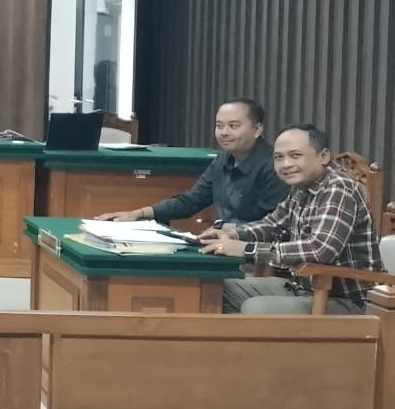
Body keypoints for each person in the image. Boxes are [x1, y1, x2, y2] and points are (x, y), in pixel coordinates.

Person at [200, 124, 383, 314]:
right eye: (278, 157)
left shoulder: (339, 188)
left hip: (349, 301)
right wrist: (232, 234)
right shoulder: (301, 187)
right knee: (214, 289)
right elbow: (273, 225)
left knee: (257, 308)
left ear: (323, 156)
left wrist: (246, 249)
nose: (286, 164)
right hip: (303, 289)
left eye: (295, 155)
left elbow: (320, 250)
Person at [96, 99, 287, 226]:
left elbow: (274, 225)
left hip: (252, 255)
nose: (224, 132)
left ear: (257, 129)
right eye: (219, 126)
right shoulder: (222, 160)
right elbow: (191, 201)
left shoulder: (273, 167)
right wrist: (139, 213)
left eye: (233, 126)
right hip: (224, 243)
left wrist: (231, 233)